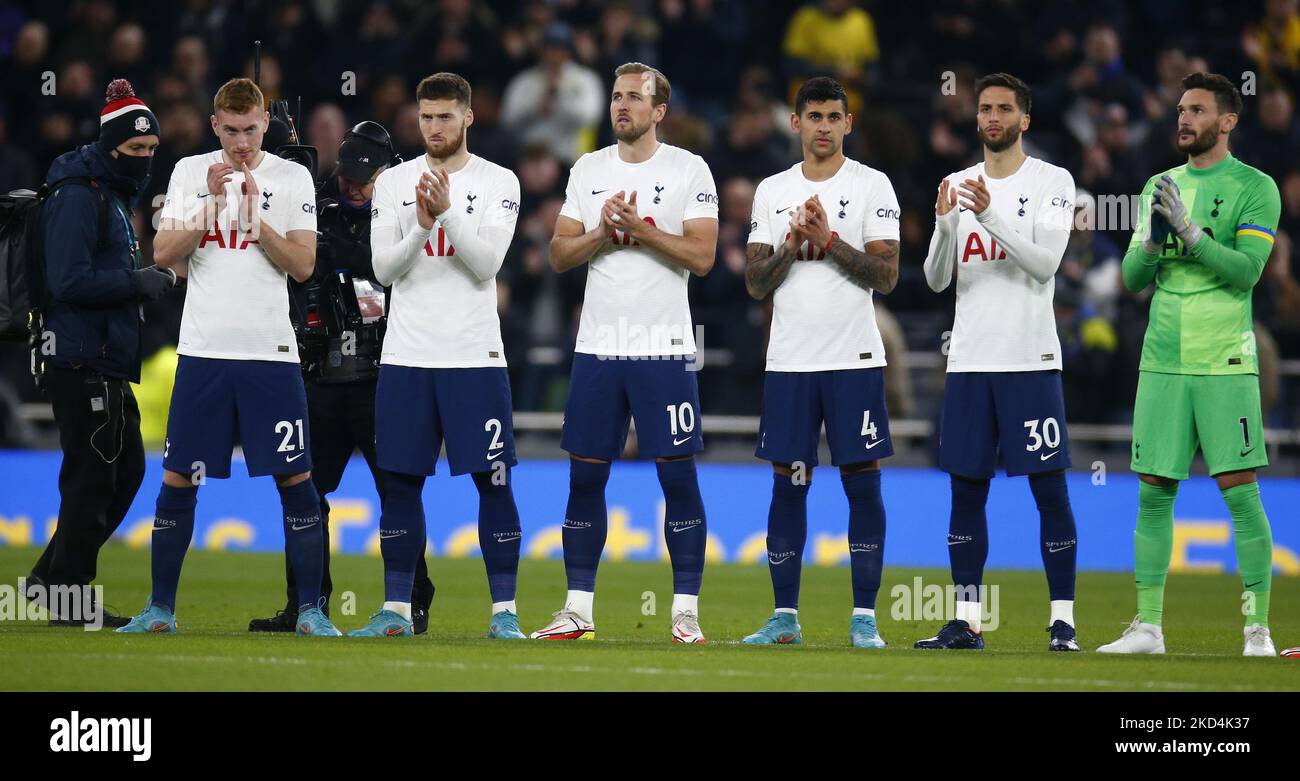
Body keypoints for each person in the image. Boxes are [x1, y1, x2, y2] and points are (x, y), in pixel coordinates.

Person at [117, 77, 339, 636]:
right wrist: (213, 203)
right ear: (216, 126)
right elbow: (162, 254)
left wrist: (254, 215)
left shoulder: (292, 178)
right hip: (204, 350)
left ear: (266, 124)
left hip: (271, 353)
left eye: (251, 129)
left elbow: (303, 264)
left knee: (295, 478)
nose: (242, 142)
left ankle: (310, 610)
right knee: (179, 477)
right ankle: (160, 609)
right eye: (231, 130)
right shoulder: (191, 173)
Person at [531, 62, 718, 643]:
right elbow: (560, 254)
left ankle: (684, 613)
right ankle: (577, 611)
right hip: (598, 348)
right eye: (616, 97)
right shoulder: (588, 168)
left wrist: (640, 229)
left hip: (663, 349)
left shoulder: (689, 169)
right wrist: (603, 234)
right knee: (584, 480)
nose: (621, 107)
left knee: (677, 481)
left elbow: (703, 256)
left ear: (659, 111)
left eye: (634, 98)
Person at [1099, 72, 1281, 657]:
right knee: (1153, 491)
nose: (1184, 119)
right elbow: (1129, 281)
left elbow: (1247, 271)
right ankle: (1148, 627)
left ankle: (1257, 629)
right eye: (1180, 109)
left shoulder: (1256, 188)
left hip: (1225, 359)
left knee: (1240, 492)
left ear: (1227, 121)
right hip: (1162, 360)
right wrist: (1153, 242)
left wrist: (1192, 235)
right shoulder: (1159, 183)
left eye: (1197, 110)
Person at [247, 121, 437, 634]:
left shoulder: (405, 217)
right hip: (319, 372)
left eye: (363, 179)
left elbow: (380, 268)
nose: (353, 188)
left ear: (387, 174)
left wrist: (335, 254)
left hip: (382, 375)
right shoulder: (318, 213)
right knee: (306, 494)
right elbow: (296, 265)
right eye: (346, 179)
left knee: (397, 491)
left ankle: (410, 601)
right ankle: (307, 603)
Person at [353, 72, 524, 639]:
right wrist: (423, 224)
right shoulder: (393, 183)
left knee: (493, 480)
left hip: (474, 357)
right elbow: (383, 271)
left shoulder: (500, 182)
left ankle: (504, 613)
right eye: (426, 117)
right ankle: (397, 611)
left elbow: (486, 265)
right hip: (407, 355)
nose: (434, 127)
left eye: (445, 116)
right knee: (399, 483)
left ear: (468, 118)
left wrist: (446, 213)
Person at [920, 73, 1082, 652]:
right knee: (966, 492)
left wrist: (989, 217)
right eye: (985, 108)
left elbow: (1044, 265)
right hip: (969, 361)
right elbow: (937, 278)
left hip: (1030, 359)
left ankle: (1062, 622)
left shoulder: (1052, 181)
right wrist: (944, 226)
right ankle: (966, 622)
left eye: (1004, 109)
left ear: (1025, 120)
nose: (991, 117)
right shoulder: (957, 182)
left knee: (1049, 490)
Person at [739, 77, 900, 649]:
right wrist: (790, 243)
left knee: (862, 483)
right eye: (814, 116)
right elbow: (756, 283)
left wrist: (828, 241)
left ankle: (864, 618)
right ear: (796, 123)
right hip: (789, 362)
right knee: (789, 484)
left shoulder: (872, 186)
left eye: (834, 117)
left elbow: (887, 275)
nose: (824, 126)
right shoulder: (772, 190)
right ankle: (785, 617)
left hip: (854, 359)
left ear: (848, 125)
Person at [26, 79, 177, 627]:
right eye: (136, 150)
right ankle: (65, 595)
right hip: (79, 357)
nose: (145, 159)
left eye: (151, 150)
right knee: (93, 480)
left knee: (124, 471)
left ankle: (50, 580)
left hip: (105, 357)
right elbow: (68, 282)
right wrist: (135, 282)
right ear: (111, 146)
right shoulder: (76, 195)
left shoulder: (106, 193)